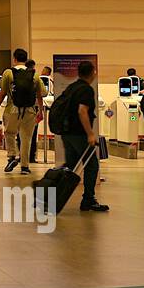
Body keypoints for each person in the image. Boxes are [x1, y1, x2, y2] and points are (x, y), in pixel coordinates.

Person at [59, 60, 109, 212]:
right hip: (78, 134)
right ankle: (88, 199)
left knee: (70, 168)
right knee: (92, 166)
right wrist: (90, 134)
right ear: (92, 73)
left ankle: (50, 193)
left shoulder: (72, 87)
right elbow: (82, 111)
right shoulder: (86, 89)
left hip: (67, 133)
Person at [0, 48, 45, 176]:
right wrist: (41, 111)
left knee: (10, 133)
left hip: (12, 109)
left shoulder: (8, 73)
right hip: (30, 111)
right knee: (26, 138)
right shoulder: (34, 74)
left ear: (14, 59)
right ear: (26, 59)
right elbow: (41, 94)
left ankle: (11, 156)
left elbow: (2, 92)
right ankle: (25, 167)